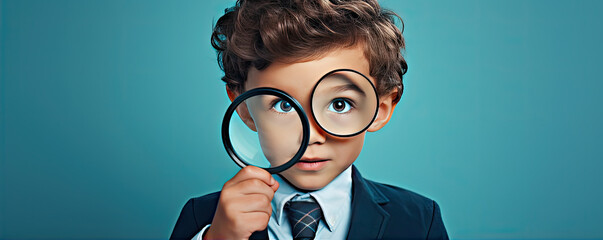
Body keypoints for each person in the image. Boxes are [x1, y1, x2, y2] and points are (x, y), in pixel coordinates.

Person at [171, 0, 449, 239]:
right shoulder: (203, 217)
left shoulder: (419, 221)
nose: (313, 136)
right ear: (244, 109)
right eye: (283, 105)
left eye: (340, 104)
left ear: (381, 109)